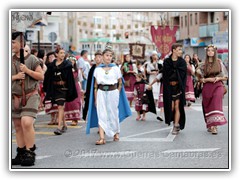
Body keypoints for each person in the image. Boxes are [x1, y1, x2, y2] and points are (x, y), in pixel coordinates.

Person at [86, 48, 132, 145]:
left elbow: (120, 83)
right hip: (101, 92)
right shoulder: (97, 70)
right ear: (103, 56)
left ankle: (116, 132)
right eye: (107, 55)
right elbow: (95, 86)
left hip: (113, 92)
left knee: (113, 113)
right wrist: (95, 98)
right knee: (101, 114)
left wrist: (117, 93)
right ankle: (102, 138)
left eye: (110, 56)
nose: (108, 57)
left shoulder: (115, 68)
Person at [11, 32, 44, 166]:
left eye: (13, 42)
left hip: (31, 95)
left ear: (21, 43)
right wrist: (15, 77)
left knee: (26, 122)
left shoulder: (32, 59)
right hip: (15, 97)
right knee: (18, 126)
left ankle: (30, 153)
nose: (11, 45)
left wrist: (27, 71)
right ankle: (21, 153)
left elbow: (41, 76)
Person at [43, 48, 77, 135]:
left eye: (63, 53)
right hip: (55, 88)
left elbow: (70, 79)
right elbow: (47, 77)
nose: (62, 54)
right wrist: (46, 88)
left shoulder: (67, 65)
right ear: (56, 54)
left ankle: (59, 127)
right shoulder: (51, 65)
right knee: (59, 106)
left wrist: (71, 90)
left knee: (60, 106)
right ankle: (65, 125)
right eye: (61, 53)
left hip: (64, 88)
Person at [196, 44, 228, 135]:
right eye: (209, 50)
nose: (210, 52)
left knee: (216, 103)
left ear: (215, 52)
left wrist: (219, 79)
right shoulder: (202, 64)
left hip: (218, 85)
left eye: (212, 50)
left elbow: (226, 77)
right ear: (206, 52)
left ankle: (215, 126)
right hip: (207, 86)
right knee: (208, 105)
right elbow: (198, 78)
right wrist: (207, 79)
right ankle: (210, 124)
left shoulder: (219, 62)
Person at [162, 43, 187, 135]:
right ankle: (173, 121)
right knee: (171, 106)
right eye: (179, 49)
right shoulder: (167, 61)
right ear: (174, 50)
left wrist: (182, 87)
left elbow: (183, 75)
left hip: (178, 86)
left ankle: (176, 125)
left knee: (177, 106)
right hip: (169, 87)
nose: (181, 51)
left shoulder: (182, 62)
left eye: (181, 49)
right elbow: (165, 75)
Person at [82, 50, 103, 121]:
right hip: (93, 89)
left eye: (99, 57)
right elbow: (89, 81)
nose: (97, 59)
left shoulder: (103, 68)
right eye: (96, 57)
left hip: (101, 90)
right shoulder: (92, 69)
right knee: (93, 104)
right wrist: (87, 91)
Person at [64, 56, 82, 126]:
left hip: (76, 86)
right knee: (69, 103)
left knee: (76, 102)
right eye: (70, 61)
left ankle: (75, 119)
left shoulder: (77, 70)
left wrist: (81, 89)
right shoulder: (66, 70)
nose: (71, 62)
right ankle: (69, 117)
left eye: (73, 61)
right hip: (68, 86)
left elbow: (80, 79)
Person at [44, 52, 58, 125]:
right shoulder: (47, 66)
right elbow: (45, 78)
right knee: (50, 103)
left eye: (53, 57)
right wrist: (45, 88)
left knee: (57, 103)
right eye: (50, 57)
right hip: (49, 87)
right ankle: (52, 119)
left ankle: (57, 118)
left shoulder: (58, 65)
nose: (51, 58)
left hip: (57, 87)